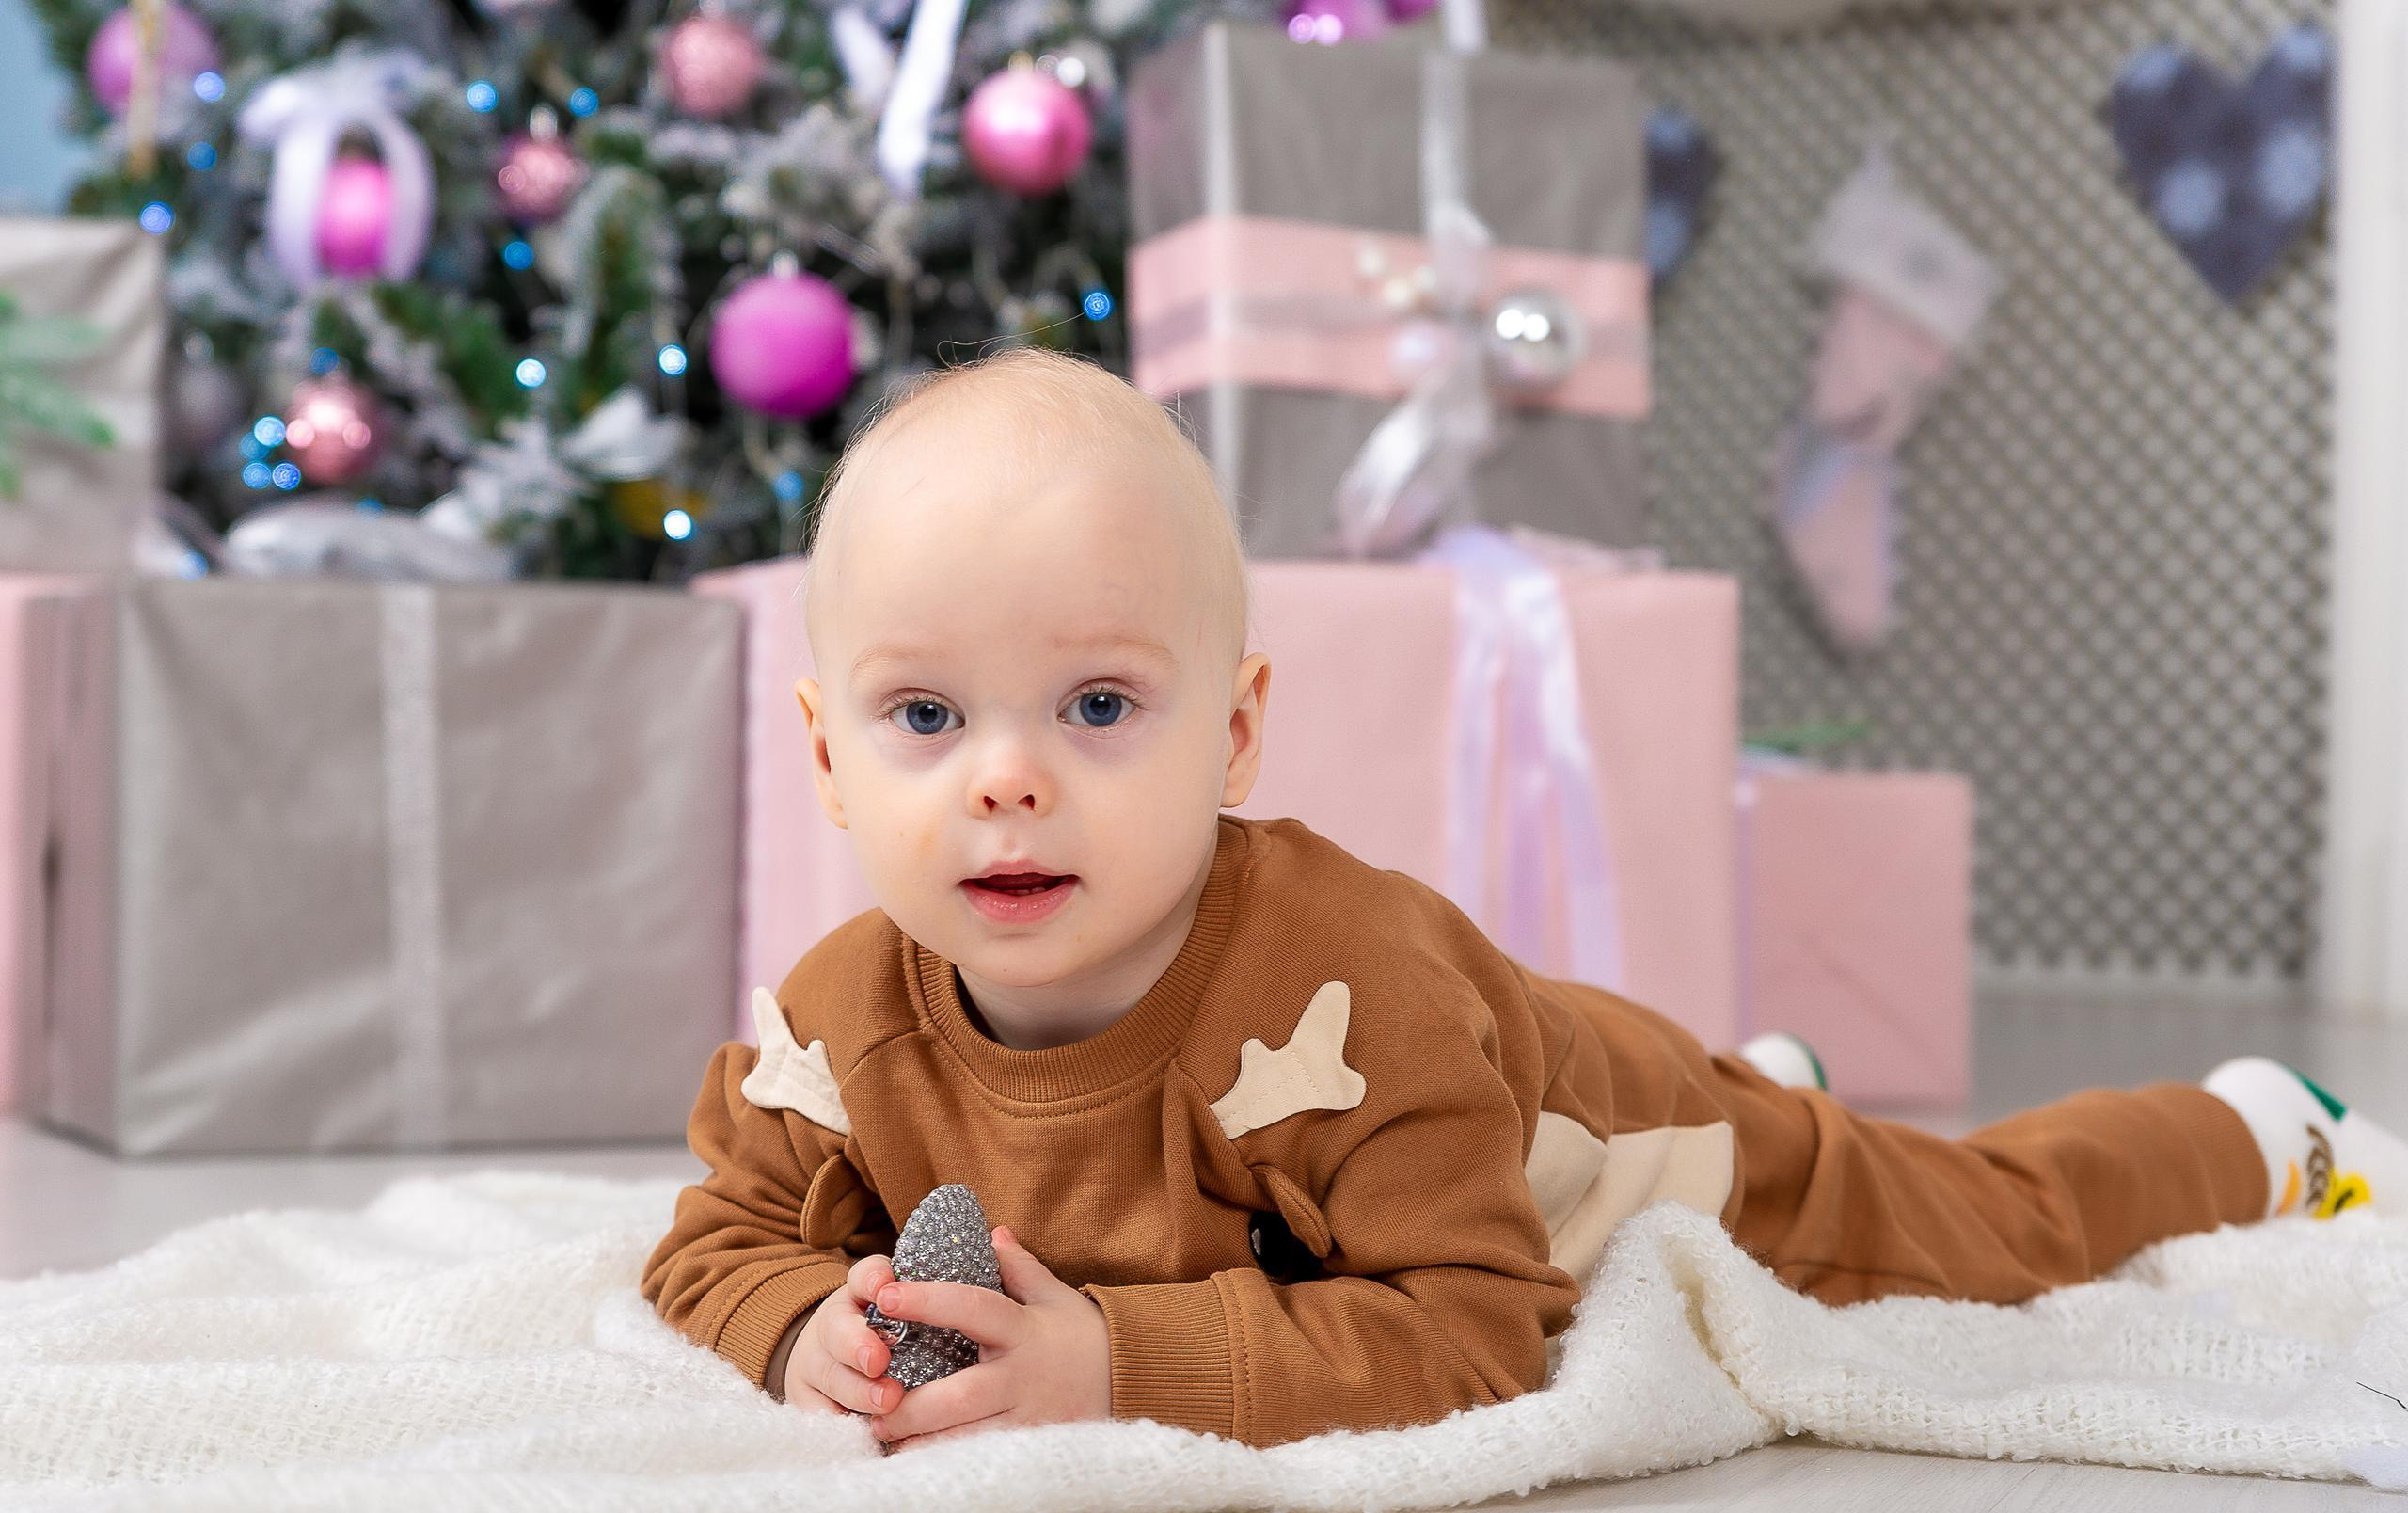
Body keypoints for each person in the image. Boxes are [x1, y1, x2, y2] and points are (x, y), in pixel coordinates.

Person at [641, 347, 2404, 1452]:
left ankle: (2248, 1129)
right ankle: (1766, 1065)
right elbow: (712, 1237)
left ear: (1238, 729)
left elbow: (1473, 1335)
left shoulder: (1337, 988)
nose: (1005, 777)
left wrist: (1121, 1367)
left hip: (1595, 1135)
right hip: (1474, 1098)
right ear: (824, 752)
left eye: (1099, 707)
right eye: (926, 717)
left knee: (1987, 1228)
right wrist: (801, 1327)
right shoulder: (836, 1020)